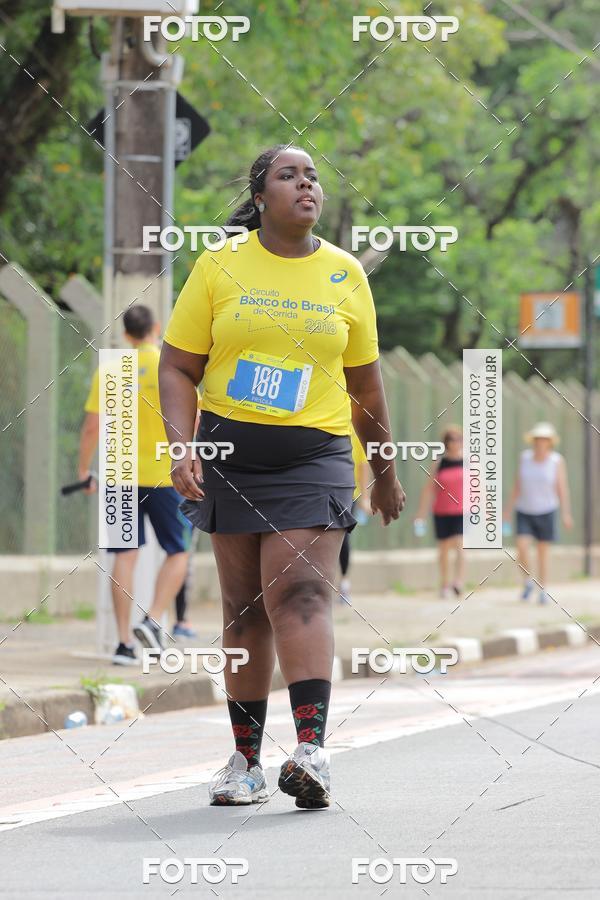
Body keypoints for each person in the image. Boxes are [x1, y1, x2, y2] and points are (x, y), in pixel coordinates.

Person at [158, 144, 406, 809]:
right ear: (260, 195)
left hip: (314, 454)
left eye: (314, 175)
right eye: (289, 175)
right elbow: (177, 366)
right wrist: (182, 449)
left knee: (298, 592)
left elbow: (367, 388)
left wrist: (383, 469)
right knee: (242, 611)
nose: (307, 184)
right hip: (229, 453)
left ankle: (312, 752)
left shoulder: (344, 273)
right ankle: (244, 761)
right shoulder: (219, 266)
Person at [78, 304, 192, 664]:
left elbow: (93, 426)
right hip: (164, 474)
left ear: (126, 334)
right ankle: (154, 619)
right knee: (178, 551)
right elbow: (194, 419)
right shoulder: (170, 368)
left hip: (119, 473)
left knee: (124, 555)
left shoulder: (112, 369)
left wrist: (84, 470)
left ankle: (124, 644)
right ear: (156, 328)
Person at [504, 422, 572, 604]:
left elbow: (561, 487)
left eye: (544, 439)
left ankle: (543, 589)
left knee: (543, 552)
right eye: (538, 439)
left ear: (550, 442)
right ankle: (527, 581)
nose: (540, 442)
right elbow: (517, 484)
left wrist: (566, 513)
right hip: (524, 509)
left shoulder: (556, 461)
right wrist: (507, 510)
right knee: (521, 547)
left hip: (547, 510)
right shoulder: (524, 458)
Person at [414, 425, 464, 599]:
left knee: (459, 544)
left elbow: (478, 488)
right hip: (441, 511)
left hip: (461, 510)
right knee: (443, 549)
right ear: (446, 442)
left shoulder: (468, 462)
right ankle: (444, 583)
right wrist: (421, 514)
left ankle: (458, 581)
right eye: (452, 439)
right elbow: (428, 489)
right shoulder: (439, 463)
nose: (456, 442)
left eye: (458, 439)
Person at [339, 429, 372, 604]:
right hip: (320, 491)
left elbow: (362, 464)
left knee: (342, 538)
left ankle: (344, 582)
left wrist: (365, 497)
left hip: (347, 493)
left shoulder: (353, 428)